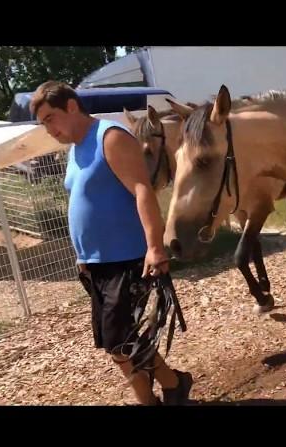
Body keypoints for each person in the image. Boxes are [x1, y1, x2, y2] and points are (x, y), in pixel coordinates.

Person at [31, 81, 192, 406]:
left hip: (129, 257)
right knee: (115, 342)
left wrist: (155, 247)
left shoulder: (111, 137)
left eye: (50, 118)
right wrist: (82, 255)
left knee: (121, 341)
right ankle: (169, 387)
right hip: (95, 263)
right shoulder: (76, 150)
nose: (48, 128)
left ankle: (165, 391)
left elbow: (142, 190)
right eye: (43, 122)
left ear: (71, 107)